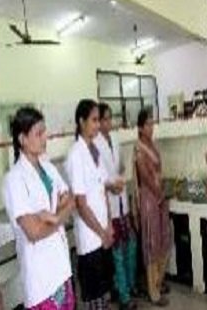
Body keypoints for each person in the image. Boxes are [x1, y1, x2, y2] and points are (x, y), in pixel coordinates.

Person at [3, 107, 75, 309]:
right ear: (22, 139)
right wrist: (59, 217)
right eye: (39, 133)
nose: (46, 137)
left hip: (61, 268)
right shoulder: (14, 180)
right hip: (41, 279)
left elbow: (70, 200)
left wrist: (49, 217)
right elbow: (33, 232)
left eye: (45, 131)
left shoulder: (48, 168)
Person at [65, 99, 119, 309]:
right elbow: (81, 203)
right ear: (81, 121)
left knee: (105, 294)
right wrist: (101, 232)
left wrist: (109, 226)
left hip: (103, 233)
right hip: (90, 239)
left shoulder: (94, 150)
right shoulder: (76, 155)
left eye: (99, 120)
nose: (98, 125)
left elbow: (103, 187)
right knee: (94, 298)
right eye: (94, 120)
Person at [95, 103, 137, 310]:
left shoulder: (115, 139)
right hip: (109, 206)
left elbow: (118, 166)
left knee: (130, 246)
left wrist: (121, 171)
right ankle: (124, 296)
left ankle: (129, 286)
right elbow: (98, 179)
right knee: (118, 253)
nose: (108, 123)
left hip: (122, 203)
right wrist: (110, 186)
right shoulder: (95, 144)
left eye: (110, 118)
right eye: (104, 119)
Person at [134, 109, 171, 307]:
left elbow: (158, 172)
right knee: (151, 242)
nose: (151, 127)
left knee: (165, 239)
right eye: (147, 124)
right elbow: (145, 177)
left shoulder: (153, 145)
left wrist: (163, 193)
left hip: (159, 198)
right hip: (150, 200)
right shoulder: (139, 148)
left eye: (152, 123)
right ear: (140, 127)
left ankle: (158, 281)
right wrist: (158, 193)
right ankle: (153, 291)